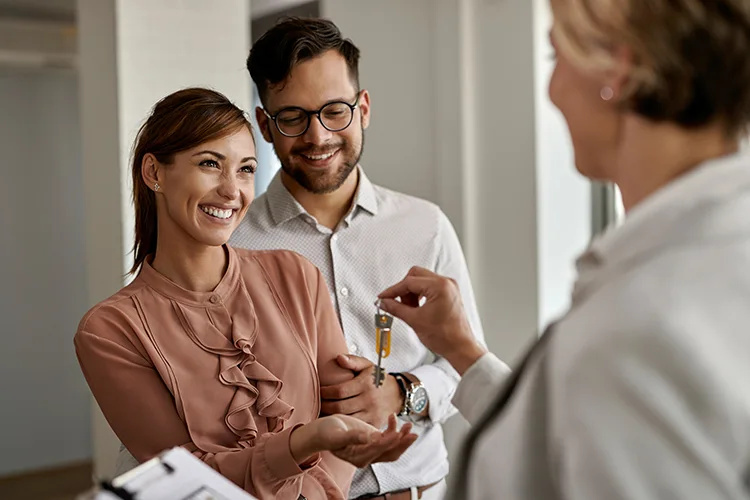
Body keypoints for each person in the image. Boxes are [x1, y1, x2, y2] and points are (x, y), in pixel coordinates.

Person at [377, 0, 750, 498]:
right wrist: (462, 351)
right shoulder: (712, 258)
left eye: (556, 58)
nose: (552, 92)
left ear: (617, 67)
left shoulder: (643, 325)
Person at [73, 87, 417, 500]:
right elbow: (183, 477)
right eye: (209, 164)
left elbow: (341, 417)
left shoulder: (296, 275)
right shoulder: (110, 330)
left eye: (246, 169)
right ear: (154, 173)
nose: (231, 191)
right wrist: (303, 443)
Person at [229, 17, 495, 500]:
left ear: (363, 108)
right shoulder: (232, 243)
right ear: (265, 126)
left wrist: (402, 392)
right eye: (292, 117)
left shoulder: (425, 225)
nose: (318, 136)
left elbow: (464, 361)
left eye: (335, 111)